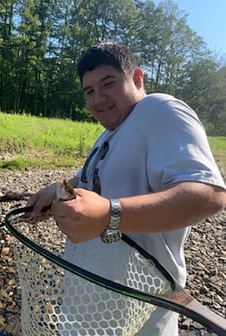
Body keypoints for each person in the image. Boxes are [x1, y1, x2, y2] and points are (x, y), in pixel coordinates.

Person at [27, 41, 226, 336]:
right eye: (89, 91)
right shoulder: (108, 135)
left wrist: (110, 215)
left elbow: (209, 195)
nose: (98, 99)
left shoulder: (160, 110)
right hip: (91, 302)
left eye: (108, 83)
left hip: (139, 309)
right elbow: (92, 180)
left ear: (137, 78)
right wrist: (55, 189)